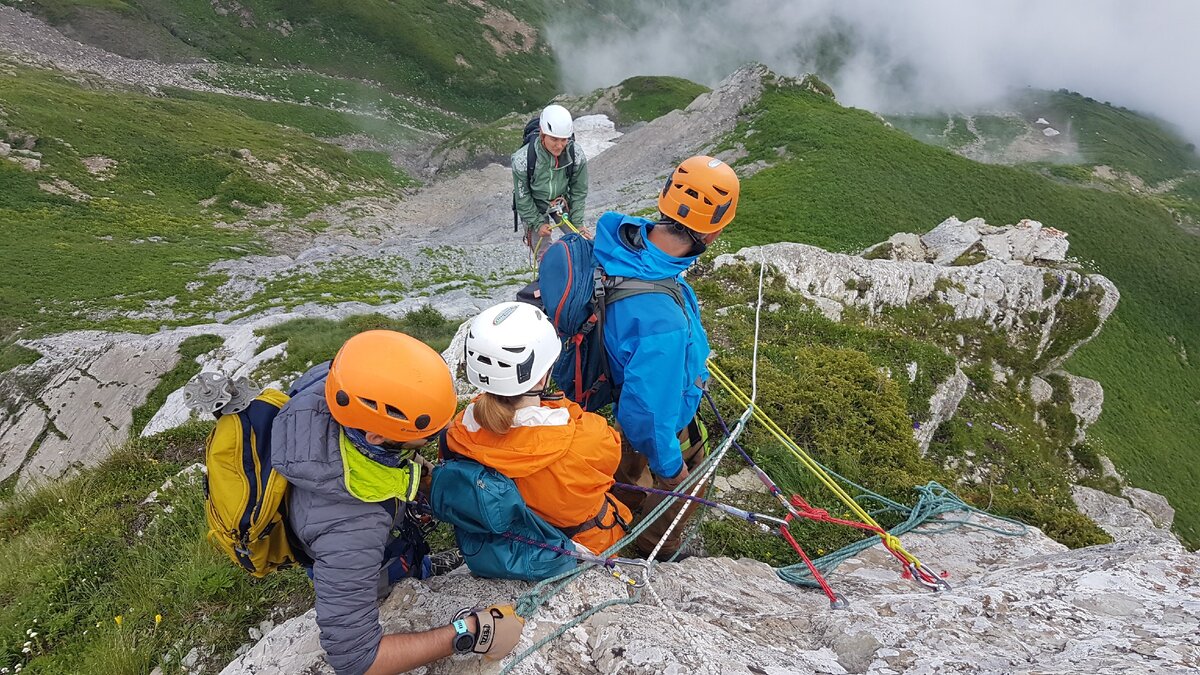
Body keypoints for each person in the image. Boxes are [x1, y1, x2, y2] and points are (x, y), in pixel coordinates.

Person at [270, 330, 526, 675]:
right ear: (375, 437)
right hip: (359, 558)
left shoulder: (335, 383)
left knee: (403, 551)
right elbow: (356, 659)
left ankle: (420, 566)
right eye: (428, 434)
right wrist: (468, 631)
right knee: (387, 572)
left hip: (338, 507)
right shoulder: (351, 530)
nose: (439, 434)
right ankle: (402, 576)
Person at [592, 155, 740, 561]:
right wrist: (672, 470)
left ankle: (610, 515)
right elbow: (650, 413)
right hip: (658, 423)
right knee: (684, 488)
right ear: (711, 235)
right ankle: (651, 553)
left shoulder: (617, 237)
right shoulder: (664, 322)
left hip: (619, 397)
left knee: (625, 474)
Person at [445, 301, 632, 556]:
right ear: (543, 376)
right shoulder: (586, 439)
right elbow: (611, 453)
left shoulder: (458, 432)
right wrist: (564, 409)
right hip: (581, 547)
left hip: (504, 546)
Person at [512, 104, 589, 258]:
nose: (559, 145)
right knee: (544, 254)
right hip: (535, 206)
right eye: (554, 139)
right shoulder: (522, 160)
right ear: (542, 134)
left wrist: (578, 223)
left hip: (561, 202)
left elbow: (578, 191)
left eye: (564, 140)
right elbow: (523, 197)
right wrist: (537, 223)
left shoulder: (576, 155)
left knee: (581, 242)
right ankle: (548, 278)